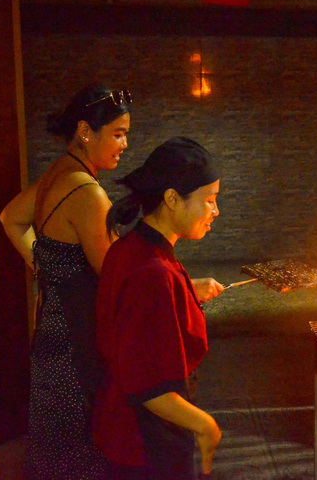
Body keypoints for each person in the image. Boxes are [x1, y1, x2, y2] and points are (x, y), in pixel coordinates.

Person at [0, 85, 131, 479]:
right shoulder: (88, 194)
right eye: (118, 133)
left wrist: (43, 267)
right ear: (86, 131)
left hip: (50, 336)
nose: (125, 143)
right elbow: (117, 277)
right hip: (77, 343)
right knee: (80, 450)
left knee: (52, 446)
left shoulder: (59, 173)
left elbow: (11, 219)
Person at [93, 137, 223, 480]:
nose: (216, 211)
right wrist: (206, 425)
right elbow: (150, 389)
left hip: (123, 430)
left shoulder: (130, 247)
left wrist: (184, 290)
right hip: (144, 444)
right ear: (171, 199)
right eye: (209, 201)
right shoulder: (153, 274)